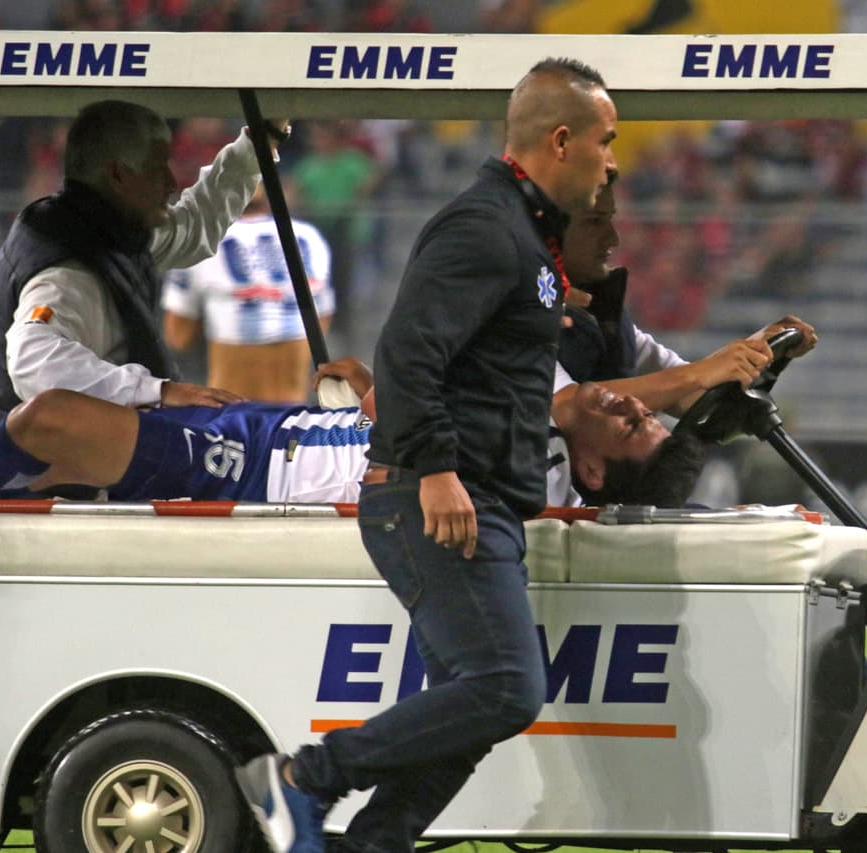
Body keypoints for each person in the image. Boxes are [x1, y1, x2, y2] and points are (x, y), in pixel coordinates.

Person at [236, 58, 620, 853]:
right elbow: (409, 351)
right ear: (560, 139)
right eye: (606, 141)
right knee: (507, 687)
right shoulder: (486, 227)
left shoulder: (522, 233)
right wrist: (438, 470)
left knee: (469, 707)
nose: (613, 160)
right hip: (440, 496)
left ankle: (369, 845)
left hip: (477, 497)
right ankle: (306, 775)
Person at [0, 358, 702, 509]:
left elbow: (412, 436)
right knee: (54, 463)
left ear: (594, 473)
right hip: (272, 428)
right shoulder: (540, 407)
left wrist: (380, 395)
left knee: (52, 417)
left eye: (632, 425)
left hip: (251, 473)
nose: (629, 406)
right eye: (640, 408)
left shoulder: (532, 476)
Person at [0, 99, 287, 441]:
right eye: (157, 167)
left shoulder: (107, 230)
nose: (171, 182)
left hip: (57, 470)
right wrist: (157, 392)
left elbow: (194, 225)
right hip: (31, 485)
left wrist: (260, 140)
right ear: (118, 175)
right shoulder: (68, 270)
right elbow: (33, 360)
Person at [556, 177, 816, 417]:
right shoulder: (524, 311)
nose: (612, 237)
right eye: (594, 221)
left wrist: (757, 351)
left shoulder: (604, 312)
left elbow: (692, 399)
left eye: (610, 219)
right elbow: (562, 406)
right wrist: (697, 374)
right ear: (549, 228)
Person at [162, 184, 335, 403]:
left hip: (232, 416)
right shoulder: (309, 237)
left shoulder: (200, 243)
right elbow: (322, 322)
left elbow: (178, 337)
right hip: (293, 413)